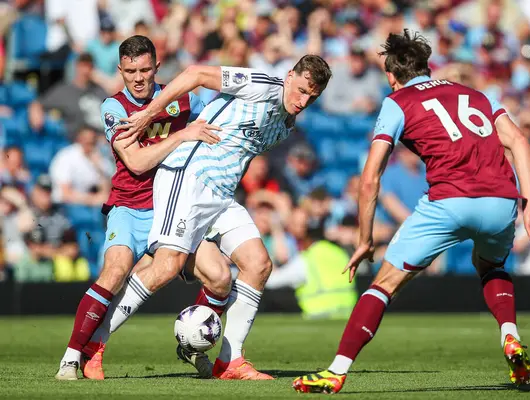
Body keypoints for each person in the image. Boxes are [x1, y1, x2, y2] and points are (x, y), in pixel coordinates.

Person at [292, 30, 530, 394]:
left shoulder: (397, 101)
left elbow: (370, 179)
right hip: (501, 200)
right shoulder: (475, 94)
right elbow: (519, 141)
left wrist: (365, 239)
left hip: (448, 201)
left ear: (391, 75)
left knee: (382, 286)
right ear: (426, 67)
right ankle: (509, 336)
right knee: (492, 266)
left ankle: (336, 371)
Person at [101, 55, 332, 380]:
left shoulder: (286, 124)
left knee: (258, 264)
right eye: (301, 89)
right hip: (189, 177)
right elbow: (196, 73)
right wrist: (147, 115)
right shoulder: (262, 86)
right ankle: (95, 344)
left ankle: (230, 360)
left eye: (312, 96)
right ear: (290, 75)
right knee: (166, 267)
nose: (303, 100)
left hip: (221, 196)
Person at [55, 35, 221, 381]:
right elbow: (137, 163)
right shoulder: (113, 107)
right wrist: (181, 135)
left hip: (172, 209)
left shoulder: (183, 99)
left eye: (145, 69)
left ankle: (191, 343)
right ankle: (72, 357)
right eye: (130, 71)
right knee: (115, 271)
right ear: (120, 70)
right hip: (129, 207)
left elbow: (218, 117)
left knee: (219, 275)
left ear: (157, 68)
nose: (138, 78)